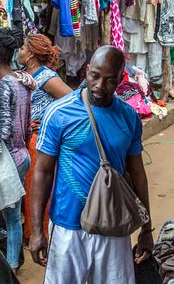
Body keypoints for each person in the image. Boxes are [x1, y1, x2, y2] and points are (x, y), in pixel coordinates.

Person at [29, 46, 153, 283]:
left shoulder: (129, 117)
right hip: (67, 226)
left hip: (114, 224)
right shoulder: (59, 113)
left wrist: (147, 230)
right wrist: (37, 231)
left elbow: (138, 173)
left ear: (120, 79)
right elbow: (42, 172)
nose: (99, 85)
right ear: (86, 71)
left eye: (109, 80)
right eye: (95, 76)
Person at [18, 34, 72, 241]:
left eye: (23, 48)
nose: (19, 52)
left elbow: (72, 101)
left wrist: (50, 122)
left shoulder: (48, 77)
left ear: (31, 53)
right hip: (24, 139)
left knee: (38, 189)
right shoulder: (23, 74)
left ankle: (43, 234)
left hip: (39, 140)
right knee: (28, 188)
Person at [0, 27, 35, 274]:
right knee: (13, 218)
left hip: (7, 160)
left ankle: (10, 269)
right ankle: (11, 264)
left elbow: (2, 129)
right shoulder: (22, 81)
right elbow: (26, 127)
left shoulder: (4, 86)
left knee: (11, 219)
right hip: (22, 155)